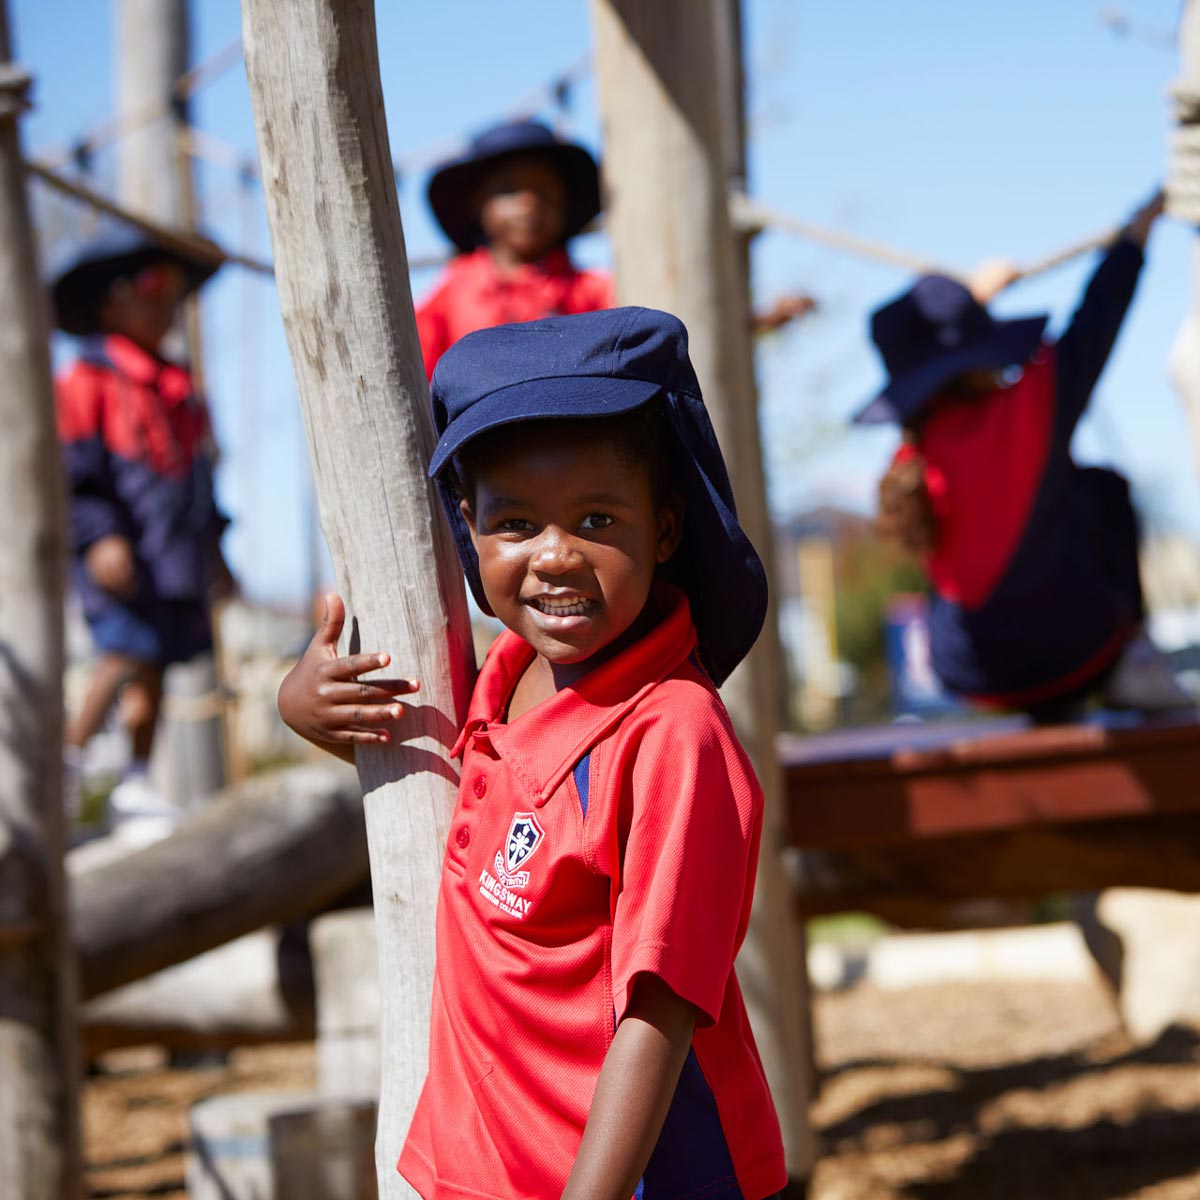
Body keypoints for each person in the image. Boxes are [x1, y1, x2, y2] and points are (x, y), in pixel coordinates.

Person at [278, 307, 788, 1200]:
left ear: (664, 529)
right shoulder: (497, 680)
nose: (554, 557)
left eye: (595, 517)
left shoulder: (670, 732)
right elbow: (456, 789)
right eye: (515, 524)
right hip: (483, 1165)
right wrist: (301, 703)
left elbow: (661, 1004)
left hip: (628, 1176)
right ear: (467, 527)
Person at [860, 191, 1189, 721]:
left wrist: (975, 301)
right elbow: (1097, 318)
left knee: (984, 548)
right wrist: (1135, 236)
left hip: (969, 673)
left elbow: (938, 350)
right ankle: (1135, 659)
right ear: (980, 353)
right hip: (1077, 647)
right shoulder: (1029, 407)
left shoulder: (911, 453)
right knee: (1101, 489)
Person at [53, 227, 233, 837]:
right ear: (111, 302)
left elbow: (203, 481)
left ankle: (133, 780)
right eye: (150, 289)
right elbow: (75, 473)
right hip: (119, 552)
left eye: (172, 293)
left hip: (170, 553)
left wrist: (216, 553)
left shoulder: (182, 390)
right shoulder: (87, 379)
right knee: (123, 648)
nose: (165, 305)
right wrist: (99, 536)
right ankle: (67, 762)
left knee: (155, 666)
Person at [415, 117, 814, 377]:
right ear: (477, 205)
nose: (529, 205)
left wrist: (757, 319)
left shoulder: (592, 289)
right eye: (510, 192)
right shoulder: (456, 289)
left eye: (544, 193)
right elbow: (419, 368)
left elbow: (669, 322)